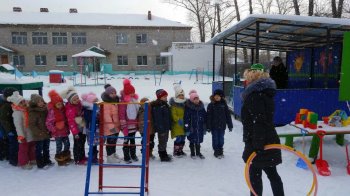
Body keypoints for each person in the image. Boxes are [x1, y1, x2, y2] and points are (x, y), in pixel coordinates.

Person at [241, 63, 284, 196]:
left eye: (247, 79)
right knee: (272, 173)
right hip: (268, 139)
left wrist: (257, 145)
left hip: (259, 143)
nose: (245, 82)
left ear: (252, 78)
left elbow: (259, 121)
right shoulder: (264, 93)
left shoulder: (255, 95)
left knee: (255, 176)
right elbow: (261, 120)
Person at [8, 91, 36, 169]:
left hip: (30, 132)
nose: (23, 103)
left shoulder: (25, 110)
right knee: (23, 149)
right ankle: (24, 163)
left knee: (31, 147)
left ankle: (32, 159)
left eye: (23, 101)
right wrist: (21, 136)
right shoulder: (17, 113)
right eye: (21, 103)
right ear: (16, 104)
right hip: (23, 134)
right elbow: (18, 126)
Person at [61, 87, 87, 165]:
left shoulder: (79, 104)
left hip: (82, 127)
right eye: (74, 100)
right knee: (78, 144)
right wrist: (75, 133)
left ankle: (82, 156)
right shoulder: (70, 109)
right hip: (77, 130)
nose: (77, 100)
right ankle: (78, 158)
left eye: (77, 98)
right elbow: (71, 122)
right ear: (70, 101)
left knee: (82, 143)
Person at [46, 90, 72, 166]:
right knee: (59, 146)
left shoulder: (63, 110)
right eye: (58, 104)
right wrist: (53, 129)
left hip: (65, 131)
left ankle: (66, 156)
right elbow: (48, 122)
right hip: (57, 133)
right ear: (54, 104)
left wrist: (67, 126)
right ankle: (59, 158)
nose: (60, 105)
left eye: (61, 104)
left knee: (67, 144)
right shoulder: (52, 112)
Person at [28, 94, 53, 169]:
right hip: (39, 135)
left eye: (42, 101)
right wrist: (39, 132)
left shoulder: (45, 109)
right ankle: (40, 163)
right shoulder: (33, 112)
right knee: (39, 149)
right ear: (35, 103)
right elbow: (32, 125)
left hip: (46, 132)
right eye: (39, 102)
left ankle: (47, 160)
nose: (41, 103)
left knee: (46, 147)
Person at [207, 89, 233, 158]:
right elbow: (208, 116)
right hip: (214, 126)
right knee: (215, 138)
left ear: (221, 97)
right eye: (215, 96)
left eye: (218, 96)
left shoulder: (224, 105)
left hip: (222, 126)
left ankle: (220, 149)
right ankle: (216, 150)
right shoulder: (211, 105)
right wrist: (208, 126)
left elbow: (228, 115)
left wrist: (230, 125)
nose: (217, 97)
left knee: (221, 138)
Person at [120, 79, 140, 163]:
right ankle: (126, 156)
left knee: (132, 140)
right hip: (127, 125)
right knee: (126, 140)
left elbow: (137, 111)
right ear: (127, 93)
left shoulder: (134, 100)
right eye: (131, 92)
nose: (133, 93)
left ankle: (133, 155)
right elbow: (121, 113)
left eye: (133, 92)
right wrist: (123, 124)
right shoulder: (124, 102)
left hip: (133, 124)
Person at [101, 84, 121, 163]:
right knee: (110, 142)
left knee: (114, 141)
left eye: (114, 93)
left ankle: (113, 154)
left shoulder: (115, 101)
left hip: (116, 125)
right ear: (107, 94)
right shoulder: (106, 103)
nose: (113, 94)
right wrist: (111, 127)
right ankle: (110, 157)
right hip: (109, 127)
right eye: (111, 93)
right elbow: (107, 116)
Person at [184, 90, 206, 159]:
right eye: (195, 99)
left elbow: (205, 116)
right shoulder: (189, 108)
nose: (196, 101)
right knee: (192, 140)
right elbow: (186, 119)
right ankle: (192, 153)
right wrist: (187, 128)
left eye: (197, 99)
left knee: (198, 141)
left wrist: (205, 126)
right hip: (191, 128)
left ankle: (198, 152)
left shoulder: (201, 108)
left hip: (199, 127)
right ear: (191, 100)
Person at [151, 89, 172, 162]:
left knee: (165, 141)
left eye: (166, 96)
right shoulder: (158, 106)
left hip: (165, 127)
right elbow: (158, 119)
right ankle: (162, 155)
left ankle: (164, 153)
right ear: (159, 97)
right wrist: (161, 128)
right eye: (164, 96)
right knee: (162, 141)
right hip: (162, 128)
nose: (166, 97)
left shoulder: (164, 104)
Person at [0, 87, 19, 166]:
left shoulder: (10, 104)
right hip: (8, 129)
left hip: (10, 128)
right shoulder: (6, 106)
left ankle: (8, 156)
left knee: (10, 143)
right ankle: (12, 159)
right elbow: (4, 120)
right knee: (12, 144)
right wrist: (9, 131)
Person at [82, 92, 100, 164]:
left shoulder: (96, 109)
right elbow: (89, 119)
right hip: (91, 129)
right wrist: (96, 117)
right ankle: (92, 158)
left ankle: (95, 157)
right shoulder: (88, 110)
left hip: (95, 128)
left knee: (95, 144)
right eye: (95, 101)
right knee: (92, 144)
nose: (97, 102)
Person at [169, 84, 187, 157]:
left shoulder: (185, 103)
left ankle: (180, 150)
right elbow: (173, 114)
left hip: (184, 124)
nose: (182, 96)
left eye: (182, 95)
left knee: (183, 137)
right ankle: (176, 151)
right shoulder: (174, 105)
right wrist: (178, 119)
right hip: (177, 124)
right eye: (180, 95)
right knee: (179, 138)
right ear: (177, 96)